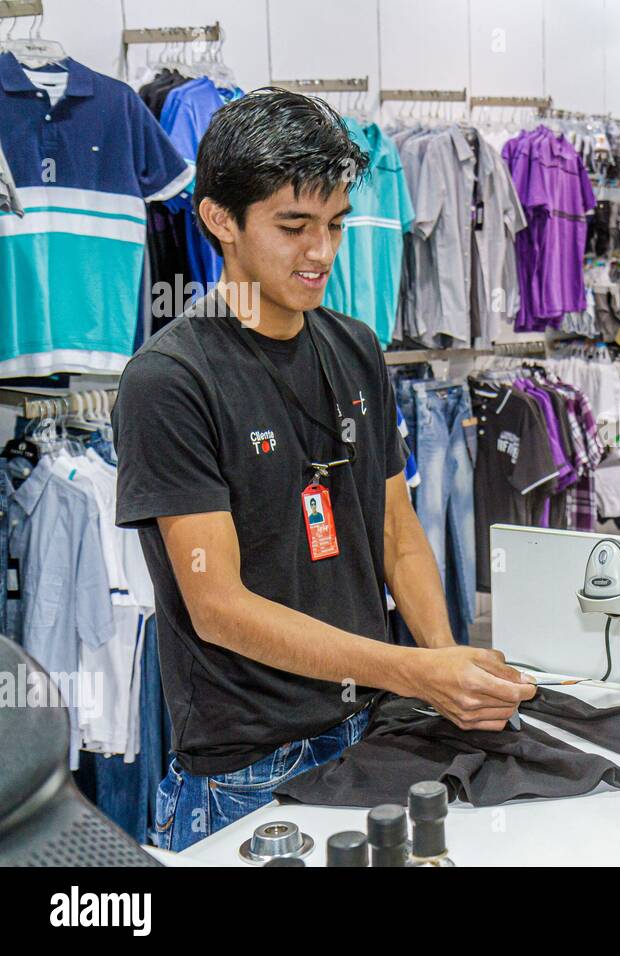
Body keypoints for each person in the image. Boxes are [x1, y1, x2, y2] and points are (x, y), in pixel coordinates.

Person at [113, 89, 535, 853]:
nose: (322, 253)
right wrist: (414, 671)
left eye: (337, 224)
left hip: (371, 735)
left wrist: (443, 663)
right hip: (247, 772)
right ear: (219, 220)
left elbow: (396, 532)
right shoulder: (170, 380)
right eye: (294, 226)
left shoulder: (355, 348)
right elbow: (218, 607)